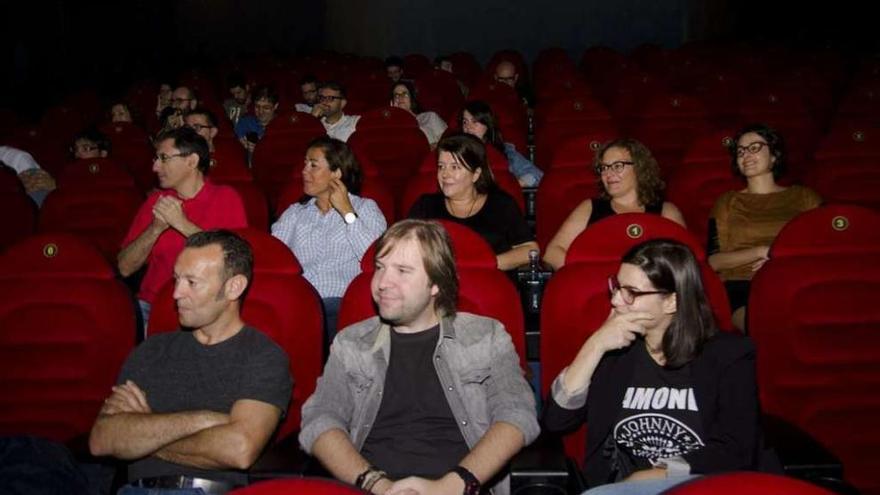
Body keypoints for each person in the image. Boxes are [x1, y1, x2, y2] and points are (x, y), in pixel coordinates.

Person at [300, 219, 539, 495]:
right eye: (380, 267)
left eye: (402, 271)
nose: (382, 283)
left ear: (435, 284)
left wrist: (450, 486)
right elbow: (320, 419)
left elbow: (517, 415)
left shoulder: (486, 336)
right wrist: (377, 484)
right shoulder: (351, 343)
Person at [543, 239, 760, 494]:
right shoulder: (616, 352)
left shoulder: (729, 356)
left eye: (631, 292)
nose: (615, 300)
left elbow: (737, 450)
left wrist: (654, 476)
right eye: (616, 287)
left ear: (671, 302)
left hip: (701, 484)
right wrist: (594, 345)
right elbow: (555, 421)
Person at [90, 230, 292, 493]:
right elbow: (102, 439)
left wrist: (145, 427)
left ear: (234, 287)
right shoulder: (152, 350)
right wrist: (205, 421)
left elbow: (239, 449)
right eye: (176, 279)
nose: (175, 293)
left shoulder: (264, 357)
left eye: (191, 282)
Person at [118, 127, 248, 330]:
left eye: (164, 158)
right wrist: (154, 229)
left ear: (192, 161)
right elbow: (125, 267)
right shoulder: (156, 201)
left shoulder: (225, 198)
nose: (155, 167)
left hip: (206, 310)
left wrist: (181, 224)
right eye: (156, 158)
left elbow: (234, 260)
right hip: (151, 306)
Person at [271, 136, 386, 344]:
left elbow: (375, 258)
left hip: (339, 301)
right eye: (305, 163)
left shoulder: (365, 208)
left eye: (313, 165)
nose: (304, 171)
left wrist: (347, 213)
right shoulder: (295, 213)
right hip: (298, 301)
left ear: (336, 173)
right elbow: (272, 258)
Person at [708, 124, 821, 331]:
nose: (745, 155)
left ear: (774, 155)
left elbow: (821, 248)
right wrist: (763, 252)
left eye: (755, 147)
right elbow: (713, 261)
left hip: (795, 278)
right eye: (740, 151)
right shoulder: (726, 202)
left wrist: (778, 259)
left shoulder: (804, 197)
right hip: (743, 283)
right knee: (765, 329)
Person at [543, 138, 686, 270]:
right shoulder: (589, 208)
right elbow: (552, 253)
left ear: (639, 168)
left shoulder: (667, 211)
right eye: (604, 168)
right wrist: (588, 276)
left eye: (617, 166)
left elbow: (686, 261)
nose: (608, 174)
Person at [408, 133, 537, 271]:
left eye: (455, 167)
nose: (445, 174)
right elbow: (403, 247)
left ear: (475, 174)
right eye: (441, 166)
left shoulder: (501, 205)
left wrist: (487, 264)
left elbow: (529, 249)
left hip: (488, 283)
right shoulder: (425, 206)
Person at [461, 100, 543, 187]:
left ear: (487, 125)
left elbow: (536, 175)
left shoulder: (505, 151)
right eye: (465, 122)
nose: (468, 127)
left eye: (474, 122)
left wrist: (510, 187)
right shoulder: (456, 151)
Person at [390, 80, 447, 148]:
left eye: (404, 94)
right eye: (396, 95)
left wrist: (428, 147)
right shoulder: (393, 126)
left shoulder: (430, 117)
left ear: (412, 97)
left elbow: (449, 142)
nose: (400, 98)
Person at [233, 84, 279, 156]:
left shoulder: (282, 125)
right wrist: (242, 142)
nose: (260, 112)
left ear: (275, 106)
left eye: (266, 107)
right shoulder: (245, 122)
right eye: (257, 106)